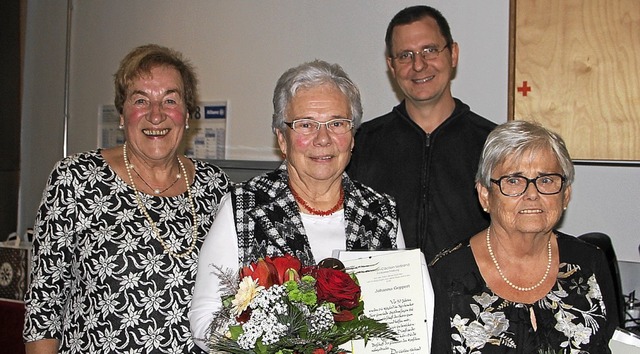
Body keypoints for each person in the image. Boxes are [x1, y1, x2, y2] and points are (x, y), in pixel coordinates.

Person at [189, 60, 409, 351]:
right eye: (306, 124)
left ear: (352, 137)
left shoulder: (381, 213)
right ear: (282, 138)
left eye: (337, 123)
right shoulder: (244, 207)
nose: (323, 138)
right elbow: (205, 322)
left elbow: (405, 315)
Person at [23, 44, 230, 354]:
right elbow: (44, 306)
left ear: (187, 114)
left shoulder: (216, 187)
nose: (156, 115)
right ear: (122, 114)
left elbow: (229, 301)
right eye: (141, 100)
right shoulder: (75, 179)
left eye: (170, 100)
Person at [429, 121, 619, 353]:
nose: (532, 194)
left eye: (546, 180)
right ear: (485, 195)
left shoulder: (589, 263)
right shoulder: (446, 275)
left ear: (565, 195)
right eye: (513, 181)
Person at [347, 5, 496, 262]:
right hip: (382, 296)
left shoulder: (494, 144)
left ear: (453, 54)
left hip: (472, 297)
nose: (418, 65)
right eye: (405, 55)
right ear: (391, 66)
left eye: (430, 50)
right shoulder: (359, 143)